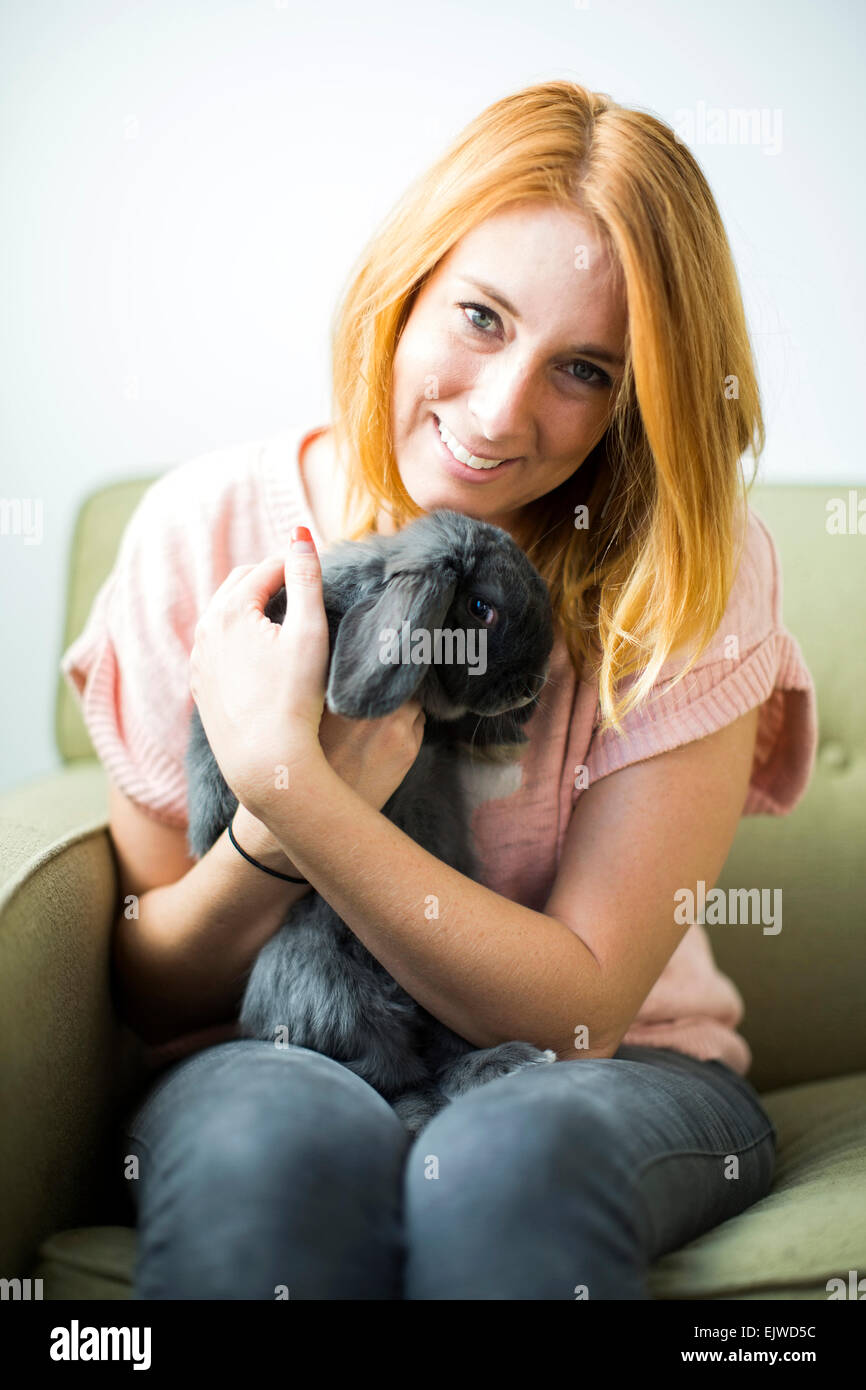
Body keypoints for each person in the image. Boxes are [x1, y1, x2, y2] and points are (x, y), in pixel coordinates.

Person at [61, 79, 817, 1300]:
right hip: (280, 1052)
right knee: (267, 1158)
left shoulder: (688, 576)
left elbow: (579, 1010)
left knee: (504, 1161)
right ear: (401, 288)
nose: (500, 411)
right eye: (478, 317)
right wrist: (263, 831)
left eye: (583, 369)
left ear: (640, 403)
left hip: (616, 1067)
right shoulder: (201, 530)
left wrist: (301, 795)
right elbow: (158, 985)